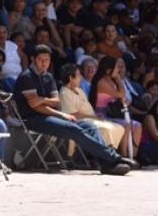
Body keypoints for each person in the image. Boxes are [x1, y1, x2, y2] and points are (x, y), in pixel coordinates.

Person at [13, 45, 135, 175]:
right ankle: (114, 158)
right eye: (40, 60)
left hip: (51, 116)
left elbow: (56, 101)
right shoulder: (27, 77)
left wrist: (42, 100)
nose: (44, 63)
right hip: (32, 119)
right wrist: (60, 114)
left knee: (90, 126)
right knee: (73, 129)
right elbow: (35, 106)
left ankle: (106, 164)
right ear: (33, 59)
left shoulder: (48, 76)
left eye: (47, 60)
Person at [58, 63, 126, 151]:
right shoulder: (65, 93)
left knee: (119, 128)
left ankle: (108, 152)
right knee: (107, 129)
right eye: (79, 75)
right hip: (80, 122)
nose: (81, 77)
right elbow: (73, 115)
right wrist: (93, 117)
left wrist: (96, 117)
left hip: (92, 119)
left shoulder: (79, 90)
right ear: (71, 78)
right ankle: (103, 154)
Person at [87, 56, 142, 157]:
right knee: (126, 125)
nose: (118, 70)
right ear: (109, 70)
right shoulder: (101, 82)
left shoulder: (110, 81)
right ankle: (123, 155)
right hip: (101, 115)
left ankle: (133, 156)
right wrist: (118, 78)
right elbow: (121, 94)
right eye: (116, 67)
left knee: (137, 126)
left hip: (112, 114)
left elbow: (120, 96)